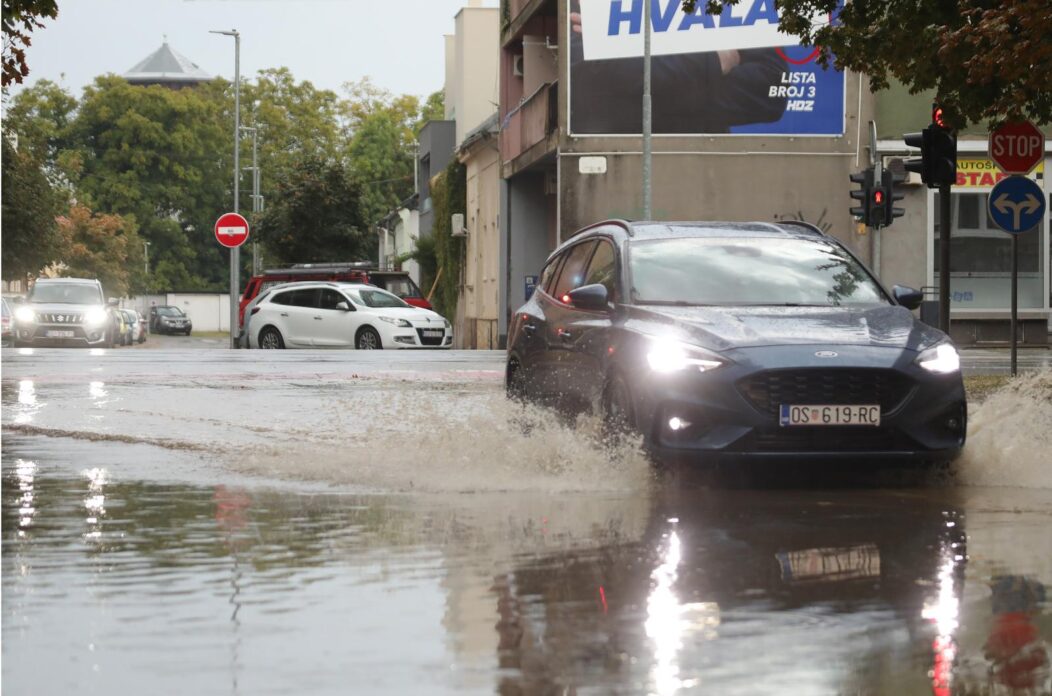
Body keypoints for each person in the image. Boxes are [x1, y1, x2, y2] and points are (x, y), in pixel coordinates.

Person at [569, 7, 788, 134]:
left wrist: (645, 87)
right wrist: (712, 62)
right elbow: (586, 80)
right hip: (617, 169)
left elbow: (771, 90)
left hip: (710, 173)